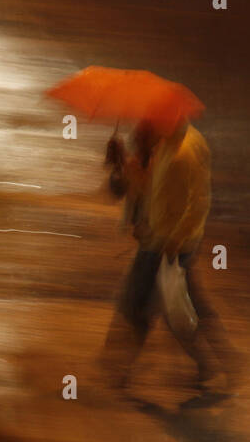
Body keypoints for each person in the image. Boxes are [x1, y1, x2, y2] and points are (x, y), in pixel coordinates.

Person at [100, 118, 241, 393]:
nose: (137, 138)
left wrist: (174, 242)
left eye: (142, 135)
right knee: (175, 306)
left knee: (141, 305)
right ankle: (218, 363)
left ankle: (118, 369)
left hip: (170, 245)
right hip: (157, 242)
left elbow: (198, 204)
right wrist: (119, 165)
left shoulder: (182, 153)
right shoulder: (160, 150)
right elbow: (135, 191)